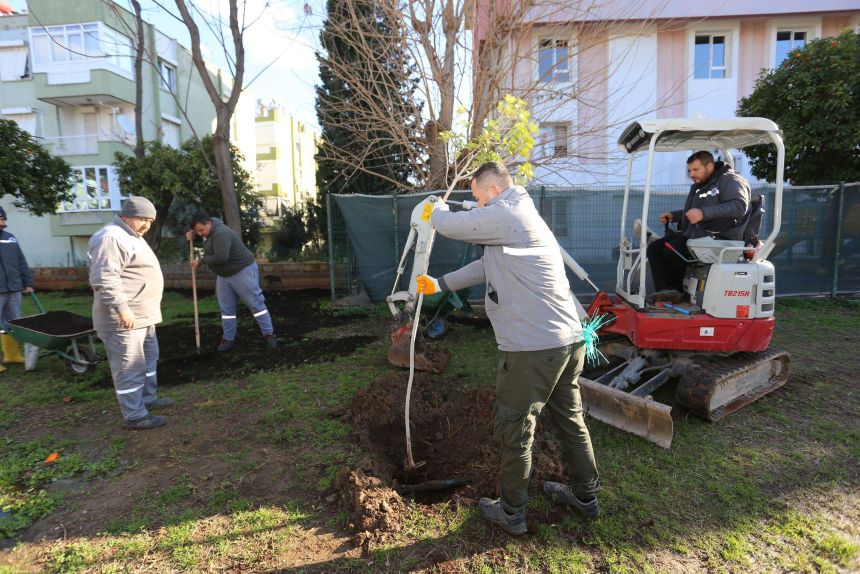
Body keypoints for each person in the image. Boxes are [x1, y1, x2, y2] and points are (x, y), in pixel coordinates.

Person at [416, 161, 600, 536]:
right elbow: (486, 267)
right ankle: (586, 498)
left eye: (479, 196)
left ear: (494, 190)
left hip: (534, 349)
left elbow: (453, 226)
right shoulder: (520, 218)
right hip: (567, 341)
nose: (479, 206)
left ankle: (511, 512)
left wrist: (435, 211)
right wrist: (439, 284)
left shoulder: (508, 210)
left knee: (515, 428)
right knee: (570, 420)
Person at [88, 197, 171, 430]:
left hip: (144, 316)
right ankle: (134, 415)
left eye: (150, 221)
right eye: (142, 219)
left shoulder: (132, 236)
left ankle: (147, 399)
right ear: (127, 215)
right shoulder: (110, 237)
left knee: (149, 359)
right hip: (124, 320)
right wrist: (122, 308)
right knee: (129, 366)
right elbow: (105, 278)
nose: (147, 225)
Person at [647, 150, 751, 293]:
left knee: (673, 249)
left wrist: (703, 213)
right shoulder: (700, 186)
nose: (691, 174)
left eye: (696, 169)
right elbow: (696, 211)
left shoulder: (730, 180)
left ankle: (676, 292)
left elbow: (738, 206)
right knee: (654, 248)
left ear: (709, 166)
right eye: (689, 170)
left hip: (719, 237)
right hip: (698, 234)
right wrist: (675, 216)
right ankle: (665, 291)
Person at [186, 212, 276, 351]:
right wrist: (192, 233)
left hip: (242, 271)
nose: (200, 234)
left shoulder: (221, 233)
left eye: (201, 230)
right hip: (223, 276)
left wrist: (201, 261)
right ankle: (228, 339)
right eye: (197, 231)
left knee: (256, 304)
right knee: (226, 309)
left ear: (209, 224)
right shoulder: (209, 229)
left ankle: (269, 335)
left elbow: (222, 257)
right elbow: (204, 234)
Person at [0, 205, 33, 371]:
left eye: (2, 218)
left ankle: (11, 355)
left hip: (14, 289)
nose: (1, 221)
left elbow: (21, 262)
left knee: (12, 323)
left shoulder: (10, 238)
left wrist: (27, 283)